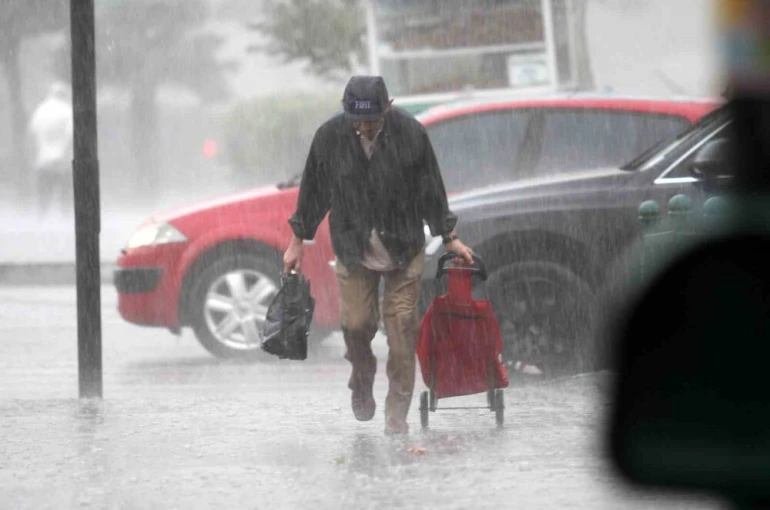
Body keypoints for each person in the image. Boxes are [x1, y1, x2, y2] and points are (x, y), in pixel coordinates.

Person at [283, 76, 474, 435]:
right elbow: (313, 192)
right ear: (346, 111)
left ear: (388, 107)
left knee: (402, 327)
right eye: (357, 120)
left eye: (371, 121)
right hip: (354, 248)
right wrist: (297, 240)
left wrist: (449, 237)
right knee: (356, 326)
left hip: (403, 246)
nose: (364, 127)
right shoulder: (330, 137)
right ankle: (362, 379)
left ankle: (396, 414)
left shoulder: (411, 134)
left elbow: (432, 189)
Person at [28, 81, 74, 218]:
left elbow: (32, 131)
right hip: (62, 157)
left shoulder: (41, 109)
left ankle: (42, 216)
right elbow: (70, 134)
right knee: (65, 190)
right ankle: (66, 216)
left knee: (44, 189)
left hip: (43, 157)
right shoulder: (67, 110)